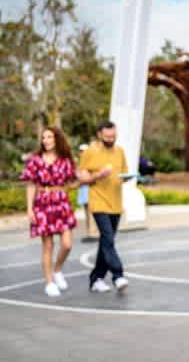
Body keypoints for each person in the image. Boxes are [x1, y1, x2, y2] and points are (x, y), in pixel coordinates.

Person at [20, 127, 79, 297]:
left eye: (49, 137)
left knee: (67, 244)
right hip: (42, 203)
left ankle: (57, 270)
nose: (45, 140)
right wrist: (29, 209)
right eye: (43, 137)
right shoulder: (35, 160)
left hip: (61, 202)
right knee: (48, 245)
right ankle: (49, 282)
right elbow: (30, 185)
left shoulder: (65, 160)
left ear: (57, 139)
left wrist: (89, 180)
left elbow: (72, 182)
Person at [77, 121, 130, 293]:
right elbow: (82, 178)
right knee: (108, 237)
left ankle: (96, 278)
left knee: (106, 242)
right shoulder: (90, 152)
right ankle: (118, 275)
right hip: (99, 202)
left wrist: (128, 177)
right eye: (108, 136)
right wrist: (99, 175)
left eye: (114, 136)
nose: (111, 139)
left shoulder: (120, 151)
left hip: (116, 203)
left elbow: (123, 174)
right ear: (99, 135)